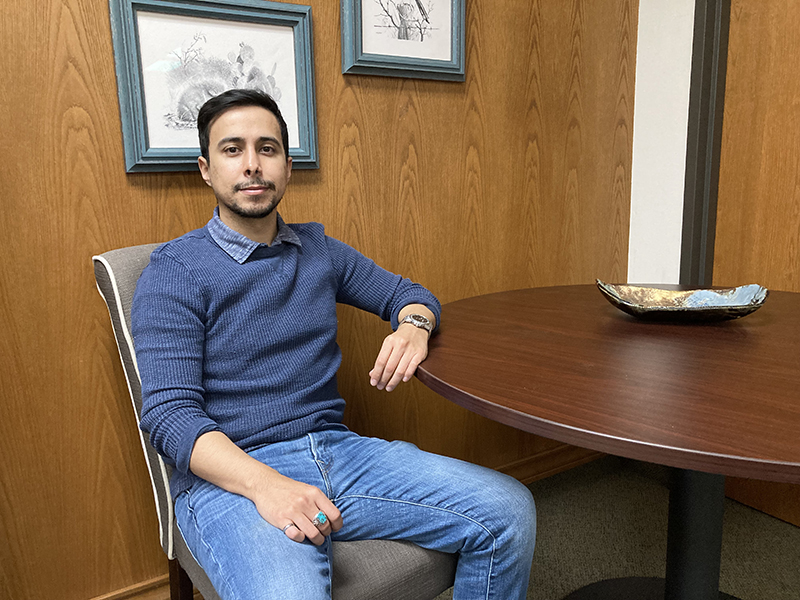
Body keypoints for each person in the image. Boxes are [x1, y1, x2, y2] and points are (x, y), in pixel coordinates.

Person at [131, 88, 536, 600]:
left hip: (339, 454)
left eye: (268, 148)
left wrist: (414, 325)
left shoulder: (317, 249)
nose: (252, 165)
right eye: (233, 149)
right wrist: (266, 486)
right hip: (231, 480)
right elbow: (171, 417)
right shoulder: (175, 271)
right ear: (207, 169)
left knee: (508, 511)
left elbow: (409, 295)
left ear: (288, 166)